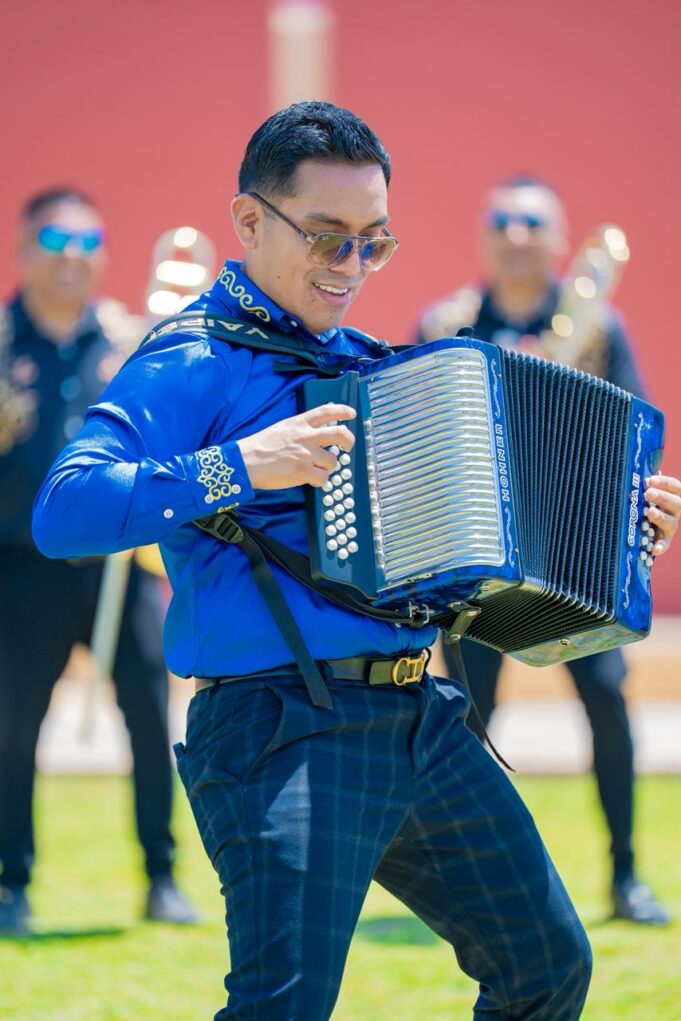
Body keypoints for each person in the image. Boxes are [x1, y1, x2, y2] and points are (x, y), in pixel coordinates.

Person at [30, 104, 681, 1020]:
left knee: (547, 967)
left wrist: (616, 529)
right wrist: (244, 464)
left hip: (420, 717)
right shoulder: (190, 360)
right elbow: (64, 510)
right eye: (328, 240)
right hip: (279, 726)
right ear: (250, 222)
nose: (350, 269)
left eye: (372, 245)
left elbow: (472, 568)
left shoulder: (378, 368)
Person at [417, 172, 672, 926]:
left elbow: (637, 443)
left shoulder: (601, 328)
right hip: (478, 567)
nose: (516, 234)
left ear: (559, 240)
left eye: (532, 222)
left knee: (605, 706)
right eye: (502, 220)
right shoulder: (446, 324)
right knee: (467, 720)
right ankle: (464, 881)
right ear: (484, 235)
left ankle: (625, 875)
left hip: (576, 560)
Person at [0, 187, 199, 936]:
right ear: (24, 249)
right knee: (13, 729)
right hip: (21, 570)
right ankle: (10, 882)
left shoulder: (127, 341)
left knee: (153, 719)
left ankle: (161, 876)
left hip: (121, 566)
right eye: (57, 241)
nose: (73, 258)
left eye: (89, 243)